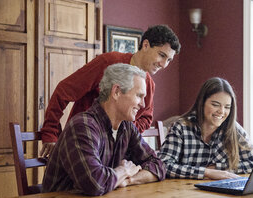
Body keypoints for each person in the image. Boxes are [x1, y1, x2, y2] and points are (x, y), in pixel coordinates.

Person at [40, 25, 181, 157]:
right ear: (145, 45)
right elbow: (64, 91)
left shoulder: (149, 84)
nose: (164, 65)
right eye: (161, 55)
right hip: (82, 145)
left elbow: (146, 118)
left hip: (113, 154)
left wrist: (122, 131)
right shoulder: (108, 63)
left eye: (169, 60)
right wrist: (50, 132)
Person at [42, 63, 166, 197]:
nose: (143, 104)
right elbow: (95, 184)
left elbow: (158, 166)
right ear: (116, 92)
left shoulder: (127, 127)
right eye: (139, 96)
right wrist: (124, 170)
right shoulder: (82, 126)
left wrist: (128, 179)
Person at [158, 77, 253, 180]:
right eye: (215, 105)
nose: (222, 111)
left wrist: (218, 168)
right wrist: (206, 172)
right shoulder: (181, 128)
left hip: (220, 192)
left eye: (227, 107)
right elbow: (163, 165)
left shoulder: (235, 130)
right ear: (202, 103)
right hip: (182, 192)